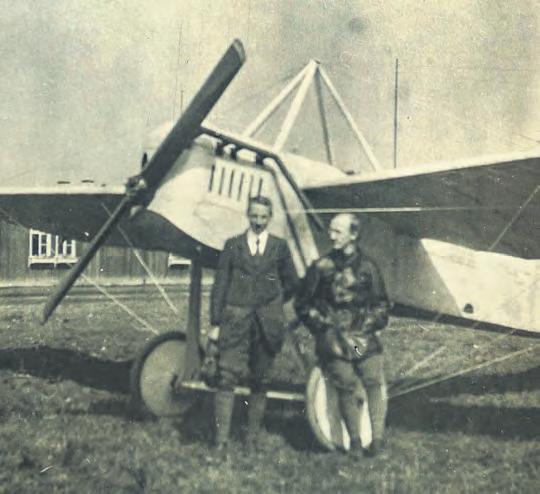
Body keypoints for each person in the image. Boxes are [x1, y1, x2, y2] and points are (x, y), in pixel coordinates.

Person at [295, 213, 390, 457]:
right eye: (331, 230)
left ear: (353, 235)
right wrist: (323, 326)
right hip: (334, 340)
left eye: (338, 231)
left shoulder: (368, 267)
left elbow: (381, 305)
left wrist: (365, 325)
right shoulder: (321, 267)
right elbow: (302, 304)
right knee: (346, 382)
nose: (331, 236)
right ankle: (355, 442)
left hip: (360, 340)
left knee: (372, 377)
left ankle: (377, 441)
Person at [208, 195, 298, 452]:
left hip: (266, 325)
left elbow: (292, 283)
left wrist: (273, 305)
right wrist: (216, 323)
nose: (258, 222)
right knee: (226, 377)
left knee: (260, 379)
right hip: (235, 322)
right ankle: (221, 441)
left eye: (263, 217)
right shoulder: (232, 246)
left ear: (270, 218)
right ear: (248, 215)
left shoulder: (280, 247)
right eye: (254, 216)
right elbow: (220, 286)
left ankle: (251, 439)